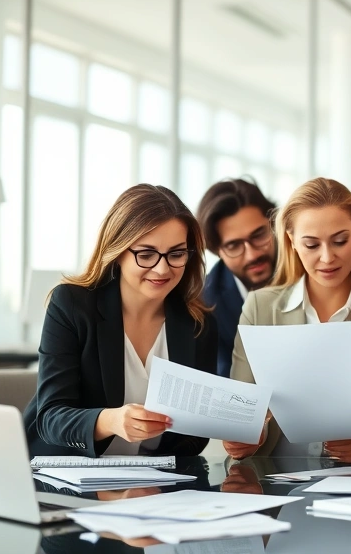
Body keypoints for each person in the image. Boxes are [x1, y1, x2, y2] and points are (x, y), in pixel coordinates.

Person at [223, 177, 351, 462]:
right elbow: (239, 409)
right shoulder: (260, 307)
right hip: (271, 482)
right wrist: (246, 437)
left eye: (340, 241)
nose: (327, 258)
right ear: (291, 241)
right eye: (311, 245)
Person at [24, 184, 217, 458]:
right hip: (66, 472)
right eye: (146, 254)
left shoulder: (199, 325)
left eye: (176, 254)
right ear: (118, 251)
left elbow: (193, 435)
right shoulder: (71, 305)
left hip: (150, 483)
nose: (162, 269)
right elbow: (51, 418)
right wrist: (111, 421)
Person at [196, 177, 277, 377]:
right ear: (217, 251)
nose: (252, 254)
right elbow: (224, 380)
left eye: (259, 235)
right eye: (234, 245)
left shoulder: (309, 269)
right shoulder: (205, 303)